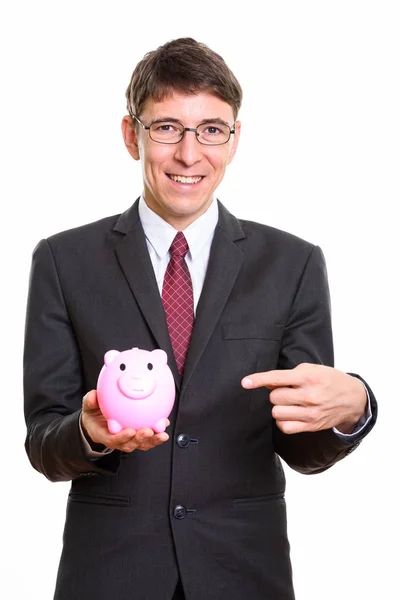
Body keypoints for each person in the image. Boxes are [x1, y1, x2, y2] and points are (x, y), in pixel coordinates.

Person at [23, 37, 377, 600]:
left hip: (243, 573)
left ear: (235, 141)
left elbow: (304, 446)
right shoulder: (64, 261)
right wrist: (88, 435)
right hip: (110, 574)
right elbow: (43, 440)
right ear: (130, 134)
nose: (190, 154)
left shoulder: (293, 264)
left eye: (212, 129)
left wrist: (355, 407)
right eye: (167, 127)